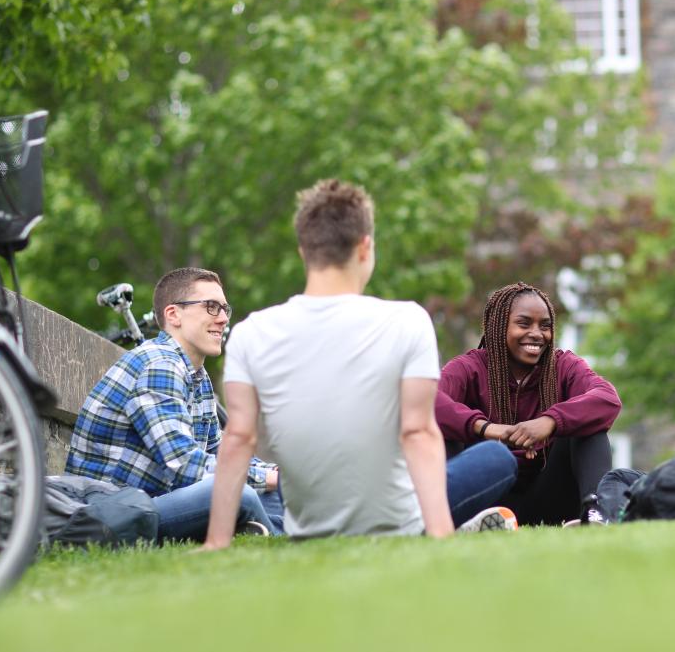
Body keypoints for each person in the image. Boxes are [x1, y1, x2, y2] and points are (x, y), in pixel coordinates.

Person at [203, 179, 517, 547]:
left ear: (304, 251)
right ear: (365, 247)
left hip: (307, 526)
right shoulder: (408, 321)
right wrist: (438, 538)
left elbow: (239, 437)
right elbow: (418, 432)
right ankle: (452, 525)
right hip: (397, 522)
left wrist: (216, 543)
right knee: (497, 456)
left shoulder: (250, 333)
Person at [66, 267, 284, 540]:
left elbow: (220, 453)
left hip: (153, 504)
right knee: (242, 493)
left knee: (275, 492)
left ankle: (279, 533)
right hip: (114, 514)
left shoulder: (197, 377)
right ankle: (278, 537)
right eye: (212, 307)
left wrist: (279, 474)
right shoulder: (159, 364)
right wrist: (271, 480)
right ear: (173, 314)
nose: (223, 319)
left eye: (225, 309)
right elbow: (184, 465)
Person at [436, 282, 623, 526]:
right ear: (499, 326)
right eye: (524, 323)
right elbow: (428, 401)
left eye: (545, 326)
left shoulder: (563, 366)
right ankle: (449, 520)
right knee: (444, 428)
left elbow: (606, 398)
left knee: (589, 429)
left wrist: (551, 421)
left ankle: (596, 516)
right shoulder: (469, 368)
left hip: (547, 497)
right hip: (485, 503)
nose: (537, 333)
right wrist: (484, 427)